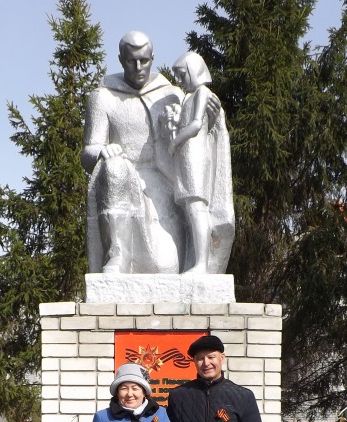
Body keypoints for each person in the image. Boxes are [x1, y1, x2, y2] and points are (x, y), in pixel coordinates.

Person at [81, 31, 234, 275]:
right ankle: (117, 255)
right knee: (114, 167)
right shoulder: (103, 97)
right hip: (122, 183)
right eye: (131, 61)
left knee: (165, 267)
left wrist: (212, 121)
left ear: (153, 58)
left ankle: (196, 262)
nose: (138, 67)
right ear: (121, 60)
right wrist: (102, 150)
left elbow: (195, 136)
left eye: (144, 60)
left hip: (166, 183)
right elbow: (87, 153)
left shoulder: (171, 94)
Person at [167, 51, 234, 274]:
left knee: (197, 208)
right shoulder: (188, 96)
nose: (178, 79)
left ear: (193, 70)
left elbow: (196, 124)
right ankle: (196, 261)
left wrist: (175, 142)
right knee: (191, 208)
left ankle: (201, 264)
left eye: (181, 73)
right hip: (187, 155)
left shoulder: (202, 92)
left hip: (195, 154)